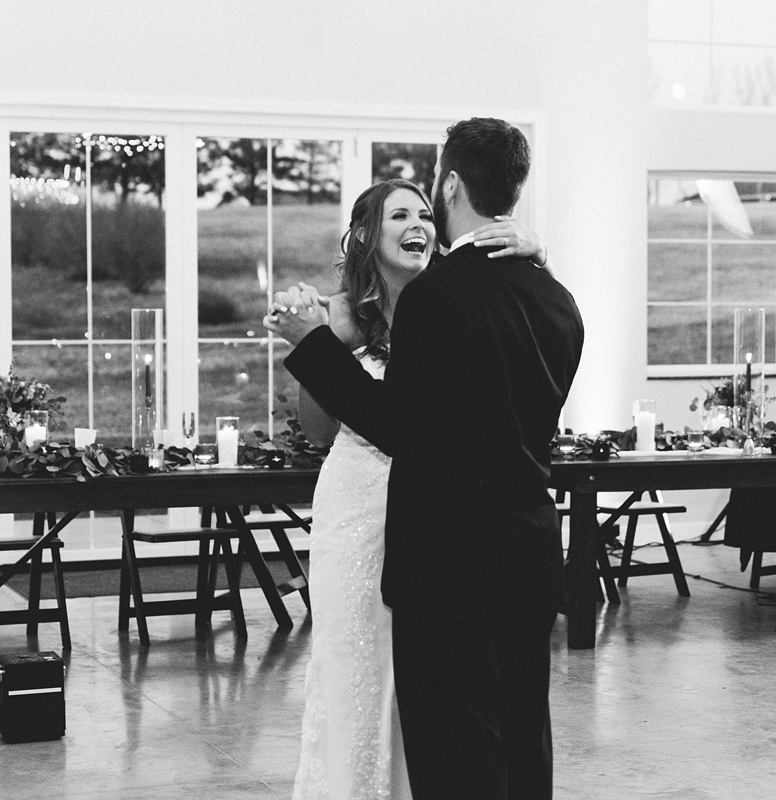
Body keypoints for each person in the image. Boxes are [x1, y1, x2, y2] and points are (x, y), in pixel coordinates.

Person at [268, 118, 584, 800]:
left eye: (424, 202)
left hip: (451, 561)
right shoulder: (558, 298)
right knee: (523, 734)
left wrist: (313, 345)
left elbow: (398, 425)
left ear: (449, 183)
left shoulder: (439, 297)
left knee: (458, 751)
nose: (418, 219)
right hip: (528, 547)